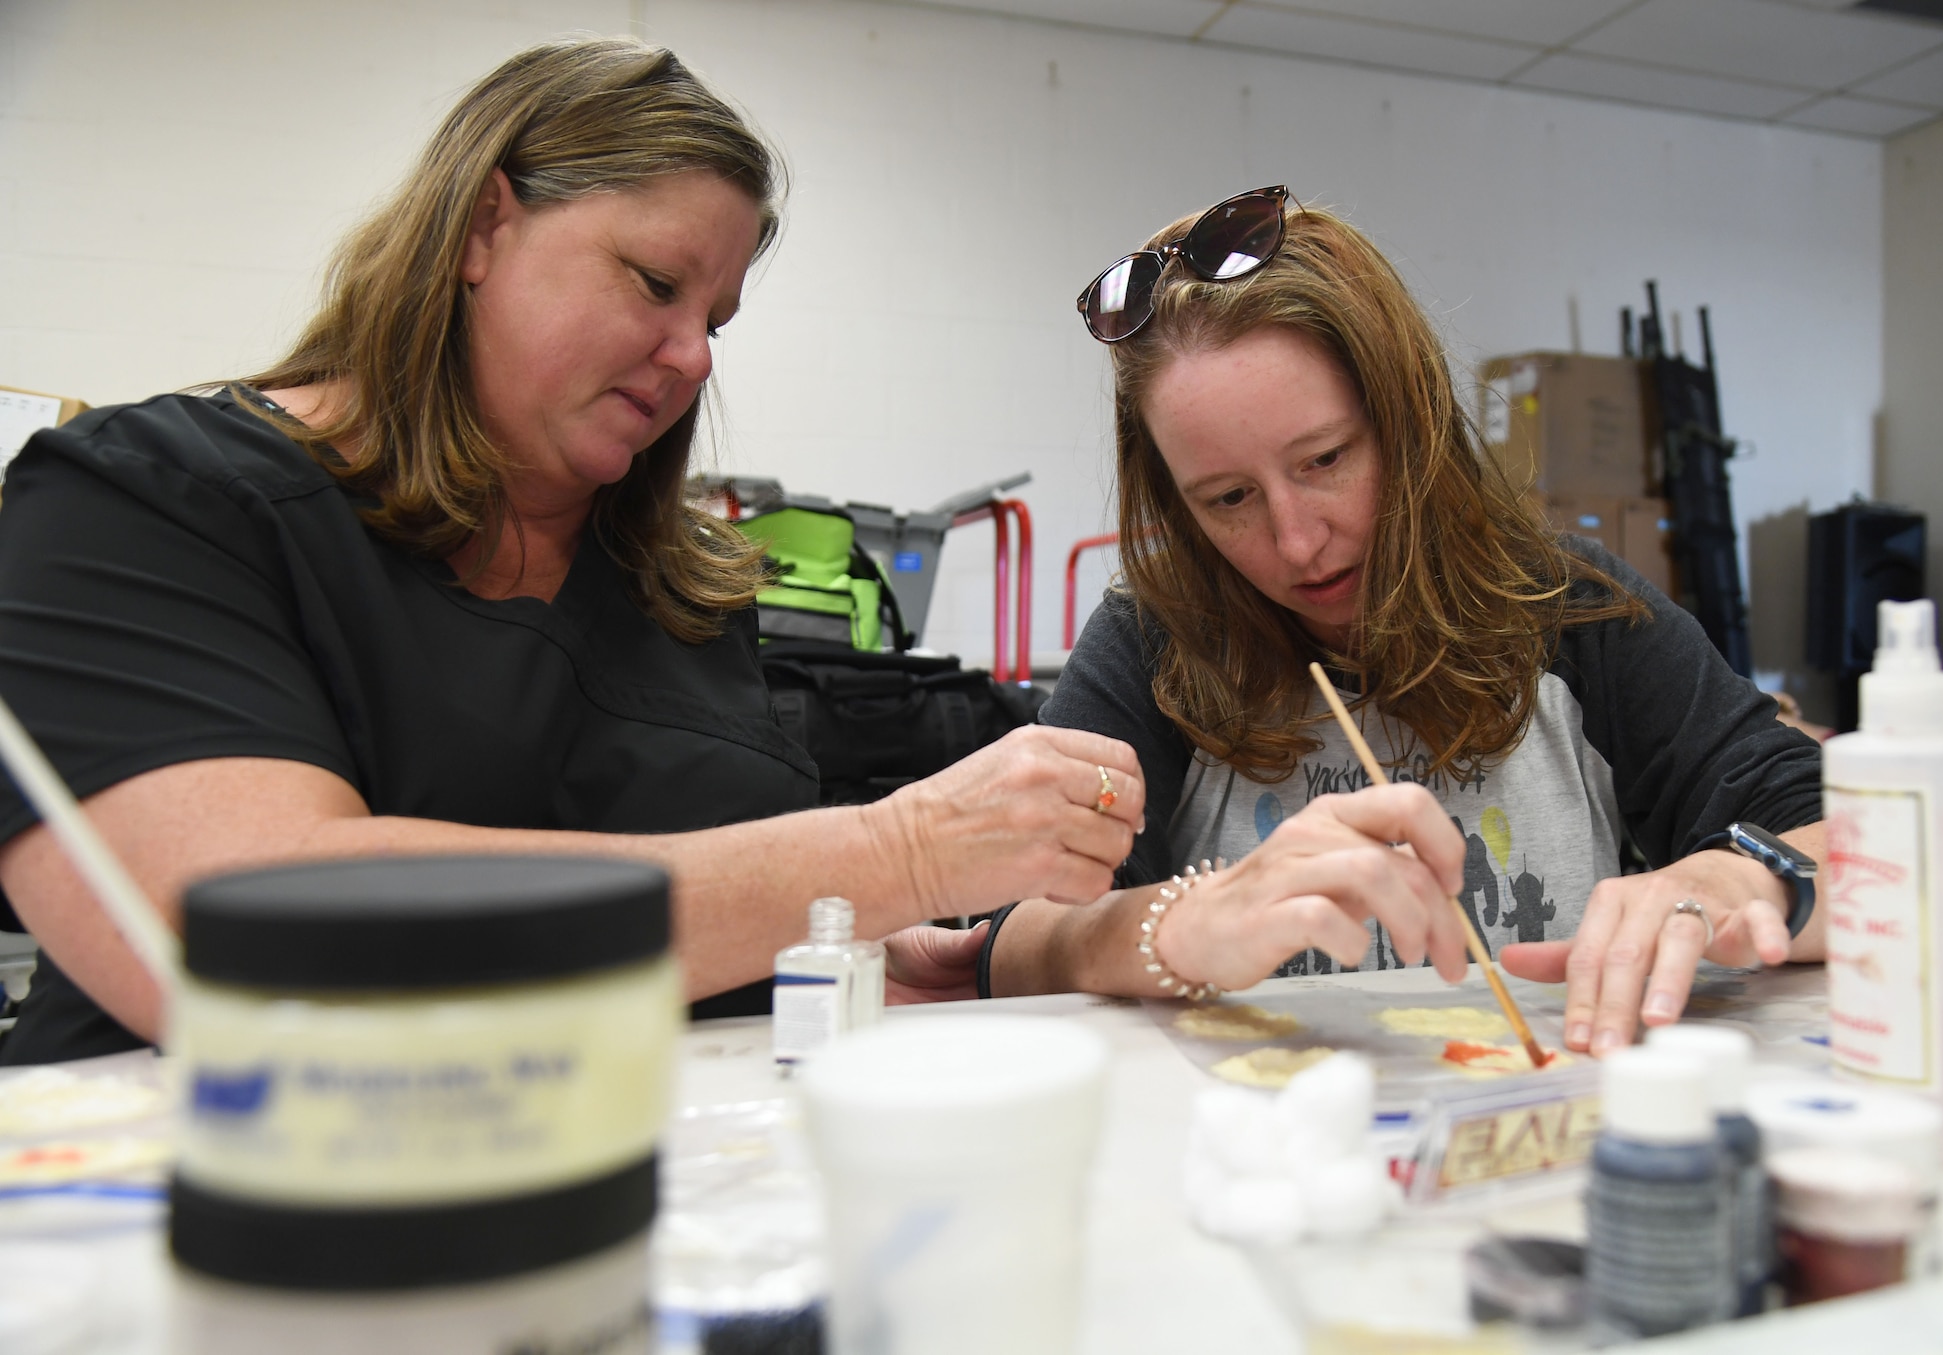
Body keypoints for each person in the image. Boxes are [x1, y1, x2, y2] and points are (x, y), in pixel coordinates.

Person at [0, 38, 1145, 1064]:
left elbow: (679, 931)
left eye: (716, 319)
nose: (694, 357)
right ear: (483, 226)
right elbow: (236, 937)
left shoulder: (679, 596)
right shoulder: (145, 502)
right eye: (654, 284)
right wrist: (893, 852)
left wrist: (822, 951)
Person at [976, 189, 1825, 1055]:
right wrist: (1178, 923)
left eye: (1326, 459)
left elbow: (1858, 845)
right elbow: (1006, 940)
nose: (1298, 541)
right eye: (1228, 498)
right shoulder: (1156, 640)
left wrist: (1736, 875)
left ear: (1408, 421)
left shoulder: (1567, 610)